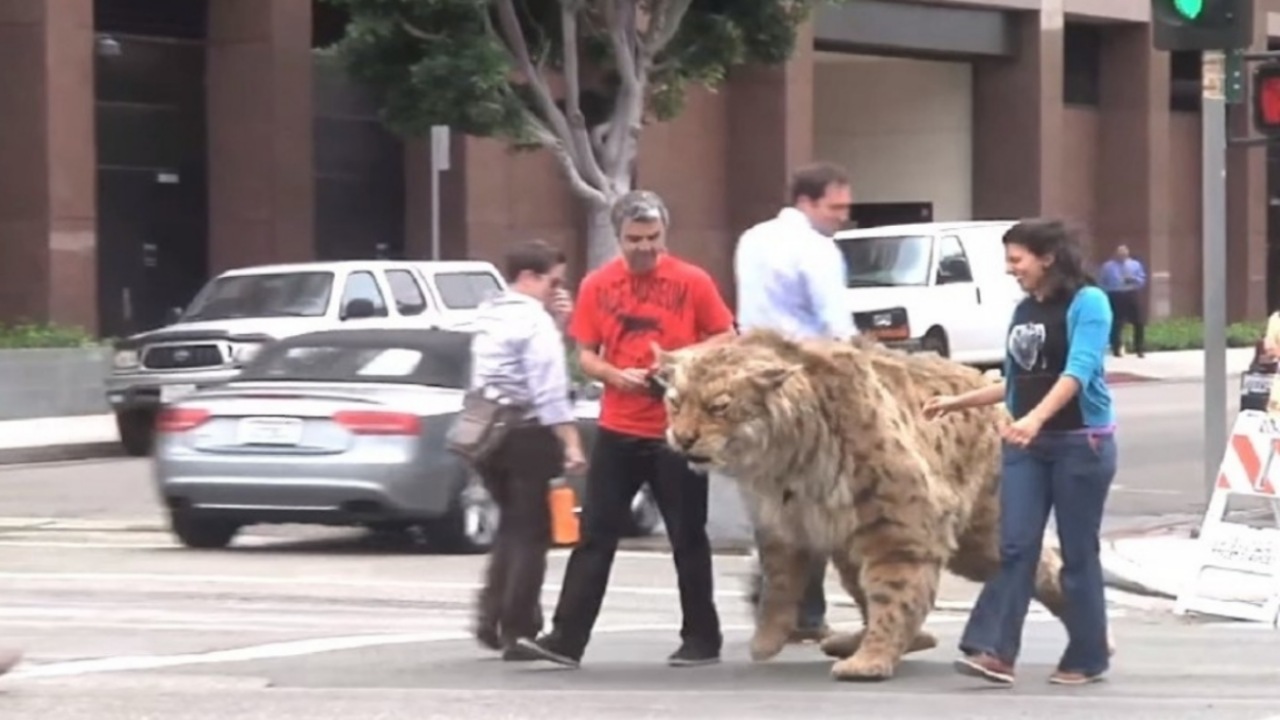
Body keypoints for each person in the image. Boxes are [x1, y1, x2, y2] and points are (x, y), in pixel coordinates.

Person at [510, 190, 738, 669]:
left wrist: (680, 364)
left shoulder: (691, 280)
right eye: (635, 239)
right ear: (619, 237)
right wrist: (615, 375)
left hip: (676, 429)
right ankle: (567, 638)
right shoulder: (599, 285)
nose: (646, 248)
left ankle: (702, 637)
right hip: (619, 425)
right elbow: (586, 354)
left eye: (654, 238)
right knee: (595, 534)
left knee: (687, 536)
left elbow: (726, 335)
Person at [923, 219, 1116, 687]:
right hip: (1027, 447)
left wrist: (1036, 419)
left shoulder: (1088, 303)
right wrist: (957, 400)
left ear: (1046, 257)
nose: (1012, 270)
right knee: (1014, 546)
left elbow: (1079, 372)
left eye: (1017, 260)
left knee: (1077, 555)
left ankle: (1088, 655)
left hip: (1080, 445)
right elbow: (1016, 380)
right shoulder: (1025, 309)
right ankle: (995, 652)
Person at [734, 161, 857, 642]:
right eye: (835, 207)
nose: (842, 217)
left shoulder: (752, 239)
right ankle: (802, 606)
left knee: (770, 493)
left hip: (755, 376)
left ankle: (780, 594)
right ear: (807, 202)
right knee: (818, 495)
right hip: (805, 380)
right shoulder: (817, 250)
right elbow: (835, 322)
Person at [469, 239, 588, 658]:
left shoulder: (489, 315)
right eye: (553, 281)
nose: (557, 290)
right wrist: (571, 441)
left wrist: (556, 319)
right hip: (528, 433)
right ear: (530, 277)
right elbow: (550, 390)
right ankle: (518, 628)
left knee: (512, 527)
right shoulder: (533, 324)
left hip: (486, 430)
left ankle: (491, 615)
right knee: (532, 531)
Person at [1097, 244, 1147, 358]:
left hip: (1131, 293)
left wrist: (1134, 279)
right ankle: (1116, 348)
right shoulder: (1107, 266)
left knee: (1139, 322)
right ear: (1115, 253)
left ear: (1128, 253)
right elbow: (1101, 282)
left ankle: (1139, 348)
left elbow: (1142, 279)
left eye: (1124, 252)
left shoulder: (1135, 265)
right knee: (1116, 323)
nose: (1122, 255)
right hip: (1115, 294)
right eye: (1120, 252)